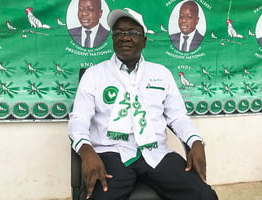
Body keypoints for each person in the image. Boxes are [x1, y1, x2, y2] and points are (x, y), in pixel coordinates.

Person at [68, 8, 218, 200]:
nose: (125, 38)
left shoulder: (161, 74)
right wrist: (86, 150)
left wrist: (196, 141)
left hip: (156, 153)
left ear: (144, 41)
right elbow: (79, 119)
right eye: (119, 33)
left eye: (132, 33)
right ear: (112, 39)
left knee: (205, 196)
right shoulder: (94, 75)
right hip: (111, 154)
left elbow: (178, 117)